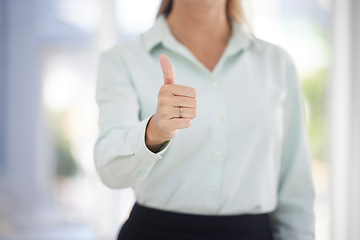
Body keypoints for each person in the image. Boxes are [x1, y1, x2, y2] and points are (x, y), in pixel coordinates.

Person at [93, 0, 315, 239]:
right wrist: (153, 133)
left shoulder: (277, 64)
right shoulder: (122, 60)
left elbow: (296, 189)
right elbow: (110, 171)